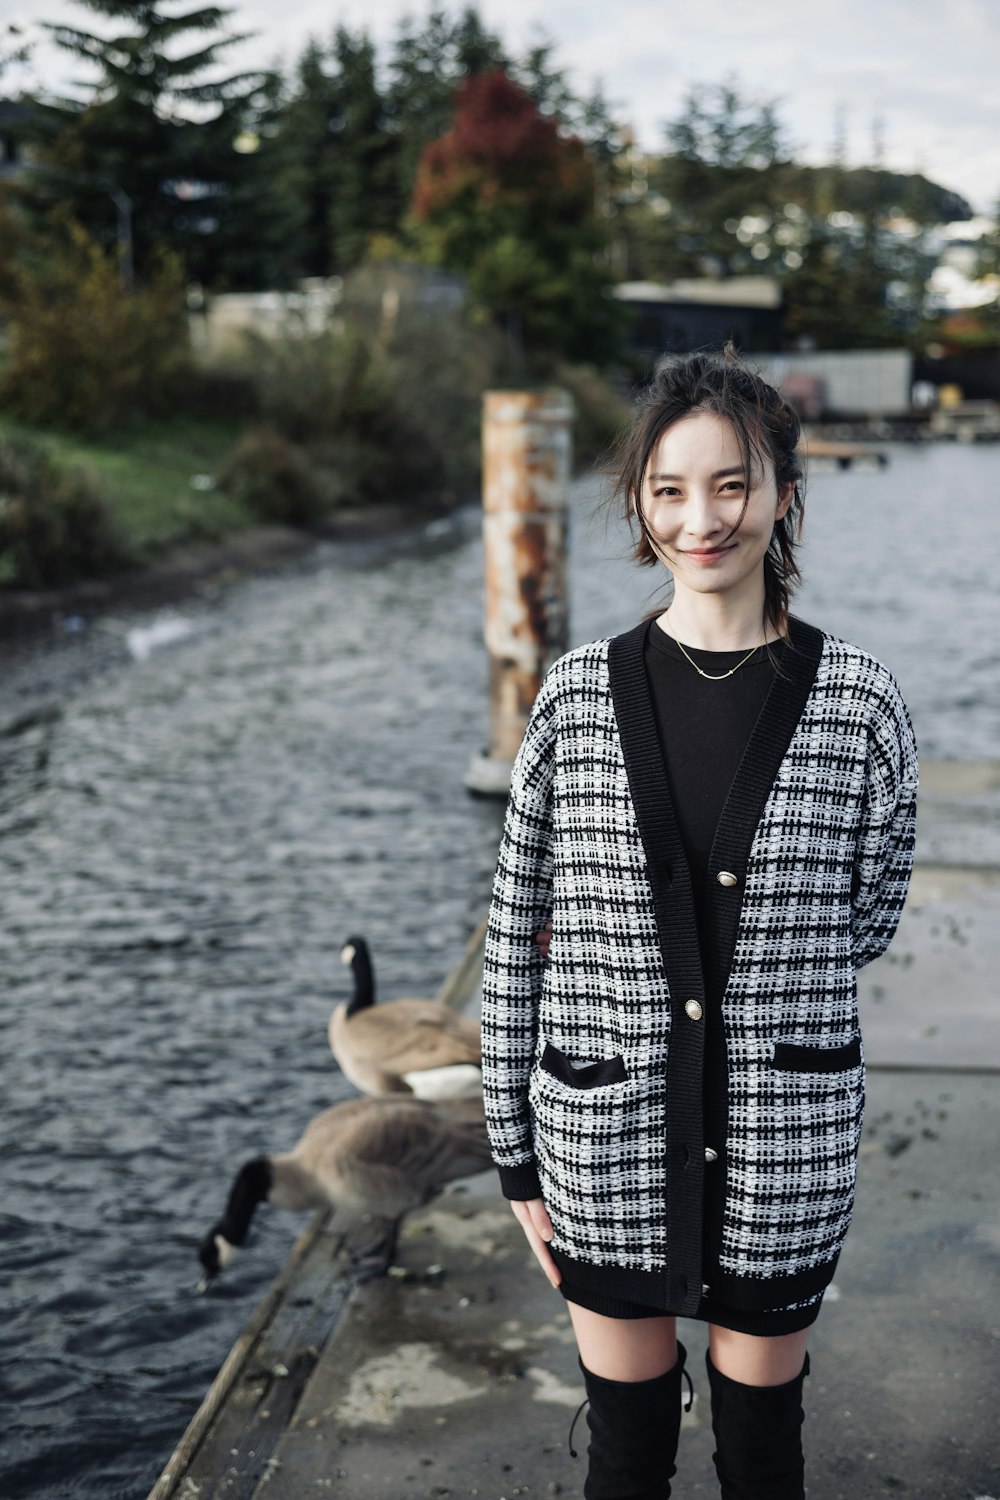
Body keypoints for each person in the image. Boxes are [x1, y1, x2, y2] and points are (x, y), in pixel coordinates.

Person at [481, 348, 918, 1500]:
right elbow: (513, 926)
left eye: (732, 484)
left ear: (782, 492)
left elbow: (866, 915)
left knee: (763, 1451)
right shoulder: (576, 697)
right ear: (638, 504)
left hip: (784, 1144)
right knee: (624, 1451)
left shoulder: (859, 702)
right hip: (604, 1133)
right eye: (669, 490)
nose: (701, 518)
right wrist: (510, 1147)